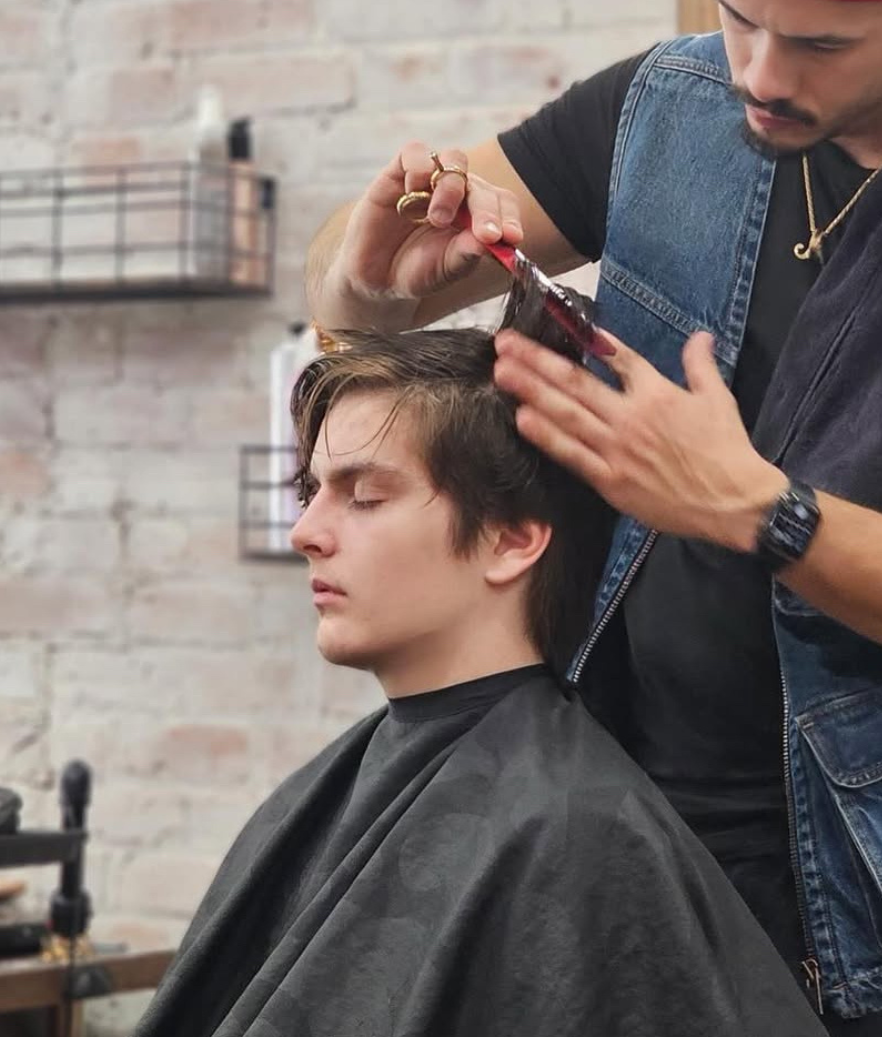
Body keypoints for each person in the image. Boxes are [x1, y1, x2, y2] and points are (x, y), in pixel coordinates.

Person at [304, 0, 882, 1035]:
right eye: (738, 18)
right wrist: (376, 272)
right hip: (623, 841)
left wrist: (763, 511)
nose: (761, 77)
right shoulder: (670, 103)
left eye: (820, 43)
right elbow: (354, 267)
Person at [132, 280, 827, 1037]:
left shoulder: (574, 832)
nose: (307, 531)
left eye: (364, 496)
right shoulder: (341, 786)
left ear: (512, 539)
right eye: (312, 491)